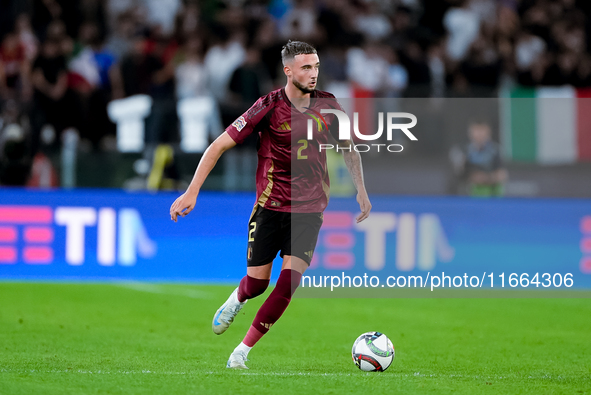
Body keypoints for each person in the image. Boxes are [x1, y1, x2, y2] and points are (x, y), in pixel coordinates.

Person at [169, 40, 371, 369]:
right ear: (288, 70)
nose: (314, 73)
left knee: (289, 283)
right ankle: (238, 297)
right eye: (306, 67)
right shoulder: (268, 106)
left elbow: (349, 147)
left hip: (309, 210)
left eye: (317, 66)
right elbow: (219, 145)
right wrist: (192, 191)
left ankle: (241, 352)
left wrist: (361, 190)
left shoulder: (330, 105)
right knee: (257, 284)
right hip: (271, 206)